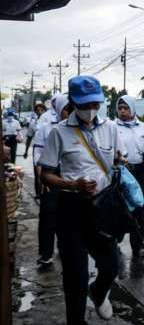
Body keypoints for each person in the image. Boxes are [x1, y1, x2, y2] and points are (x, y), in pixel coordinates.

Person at [39, 75, 126, 324]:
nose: (90, 110)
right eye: (85, 105)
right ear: (74, 102)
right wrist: (73, 184)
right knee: (75, 276)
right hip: (71, 208)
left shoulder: (110, 127)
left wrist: (119, 162)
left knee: (110, 266)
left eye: (95, 104)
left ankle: (99, 291)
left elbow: (117, 158)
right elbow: (46, 175)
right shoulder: (59, 132)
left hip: (104, 207)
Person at [32, 94, 71, 267]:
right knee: (48, 213)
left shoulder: (77, 129)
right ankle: (46, 253)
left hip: (72, 174)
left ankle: (66, 249)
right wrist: (43, 179)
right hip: (51, 172)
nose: (70, 112)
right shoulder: (46, 128)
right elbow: (38, 153)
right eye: (67, 109)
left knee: (69, 215)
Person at [116, 95, 144, 259]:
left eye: (126, 108)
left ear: (133, 109)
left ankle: (138, 245)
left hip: (140, 171)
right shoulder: (112, 127)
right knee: (120, 207)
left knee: (140, 208)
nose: (122, 111)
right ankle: (116, 236)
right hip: (121, 172)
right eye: (120, 108)